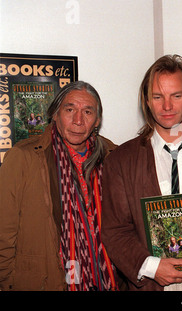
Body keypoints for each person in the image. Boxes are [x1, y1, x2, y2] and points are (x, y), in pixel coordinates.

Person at [101, 54, 182, 291]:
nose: (167, 106)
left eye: (176, 96)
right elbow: (115, 230)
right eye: (158, 97)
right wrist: (150, 267)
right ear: (147, 101)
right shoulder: (121, 160)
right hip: (151, 282)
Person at [0, 81, 119, 291]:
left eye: (88, 112)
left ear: (97, 121)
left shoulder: (114, 157)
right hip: (46, 282)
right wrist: (7, 283)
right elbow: (3, 233)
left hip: (107, 280)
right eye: (70, 109)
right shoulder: (24, 158)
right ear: (55, 114)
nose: (78, 120)